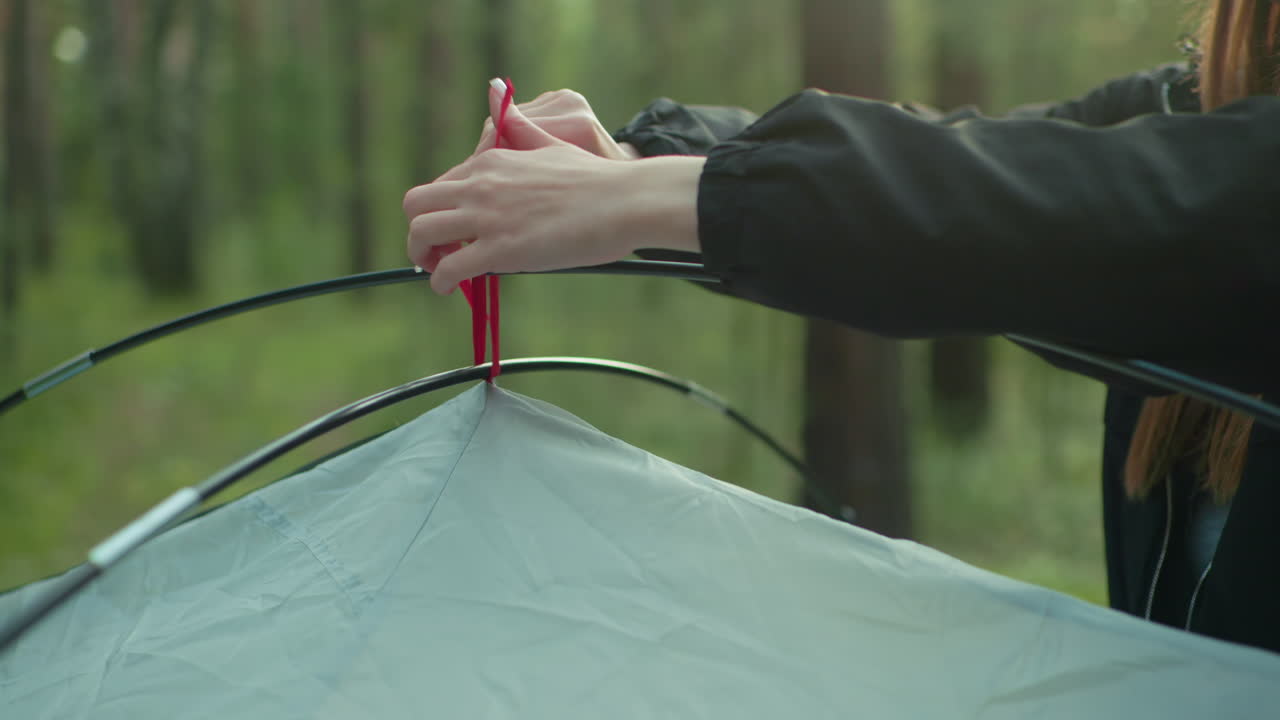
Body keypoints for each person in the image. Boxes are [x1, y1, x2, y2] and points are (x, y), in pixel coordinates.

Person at [403, 1, 1280, 655]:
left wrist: (677, 200)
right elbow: (998, 159)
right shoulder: (1210, 93)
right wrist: (647, 161)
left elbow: (1108, 209)